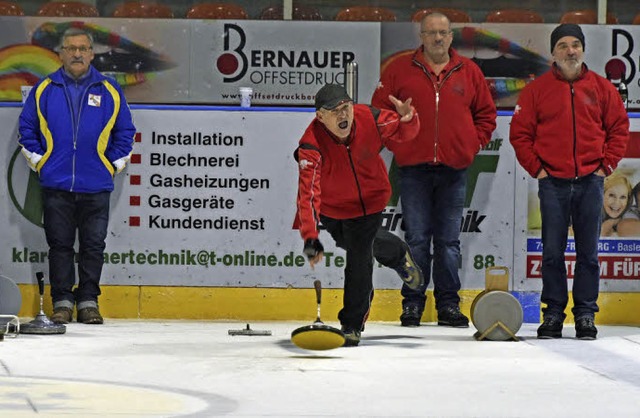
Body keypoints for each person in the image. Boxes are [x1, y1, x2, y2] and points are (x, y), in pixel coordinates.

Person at [371, 12, 497, 327]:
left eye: (443, 33)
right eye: (431, 33)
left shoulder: (469, 72)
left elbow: (486, 115)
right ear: (422, 36)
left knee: (449, 242)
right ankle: (412, 303)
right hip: (413, 170)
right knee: (415, 239)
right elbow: (379, 113)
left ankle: (448, 306)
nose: (437, 38)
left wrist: (471, 145)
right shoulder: (400, 70)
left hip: (454, 171)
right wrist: (398, 133)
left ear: (451, 37)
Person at [509, 24, 629, 340]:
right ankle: (553, 314)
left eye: (576, 44)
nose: (570, 51)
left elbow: (619, 129)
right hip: (553, 183)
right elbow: (520, 134)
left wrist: (605, 167)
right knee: (552, 252)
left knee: (588, 252)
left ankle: (586, 314)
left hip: (591, 182)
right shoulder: (537, 90)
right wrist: (539, 170)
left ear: (583, 49)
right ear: (553, 52)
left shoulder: (603, 89)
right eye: (563, 45)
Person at [18, 28, 135, 325]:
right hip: (56, 185)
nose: (77, 54)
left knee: (94, 246)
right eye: (70, 48)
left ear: (92, 54)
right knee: (60, 246)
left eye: (83, 48)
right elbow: (27, 131)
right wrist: (42, 163)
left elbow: (125, 133)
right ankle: (62, 302)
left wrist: (110, 166)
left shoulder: (109, 90)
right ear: (60, 53)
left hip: (97, 185)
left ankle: (88, 302)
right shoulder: (44, 89)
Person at [294, 83, 423, 346]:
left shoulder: (370, 118)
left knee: (358, 257)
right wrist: (310, 236)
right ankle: (397, 252)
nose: (344, 116)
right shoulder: (311, 143)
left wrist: (409, 118)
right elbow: (307, 194)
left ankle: (352, 324)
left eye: (346, 108)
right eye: (335, 111)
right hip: (334, 208)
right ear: (320, 116)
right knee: (352, 245)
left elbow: (402, 132)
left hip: (370, 202)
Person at [600, 172, 632, 236]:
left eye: (623, 197)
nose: (617, 202)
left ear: (628, 200)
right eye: (611, 195)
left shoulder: (630, 218)